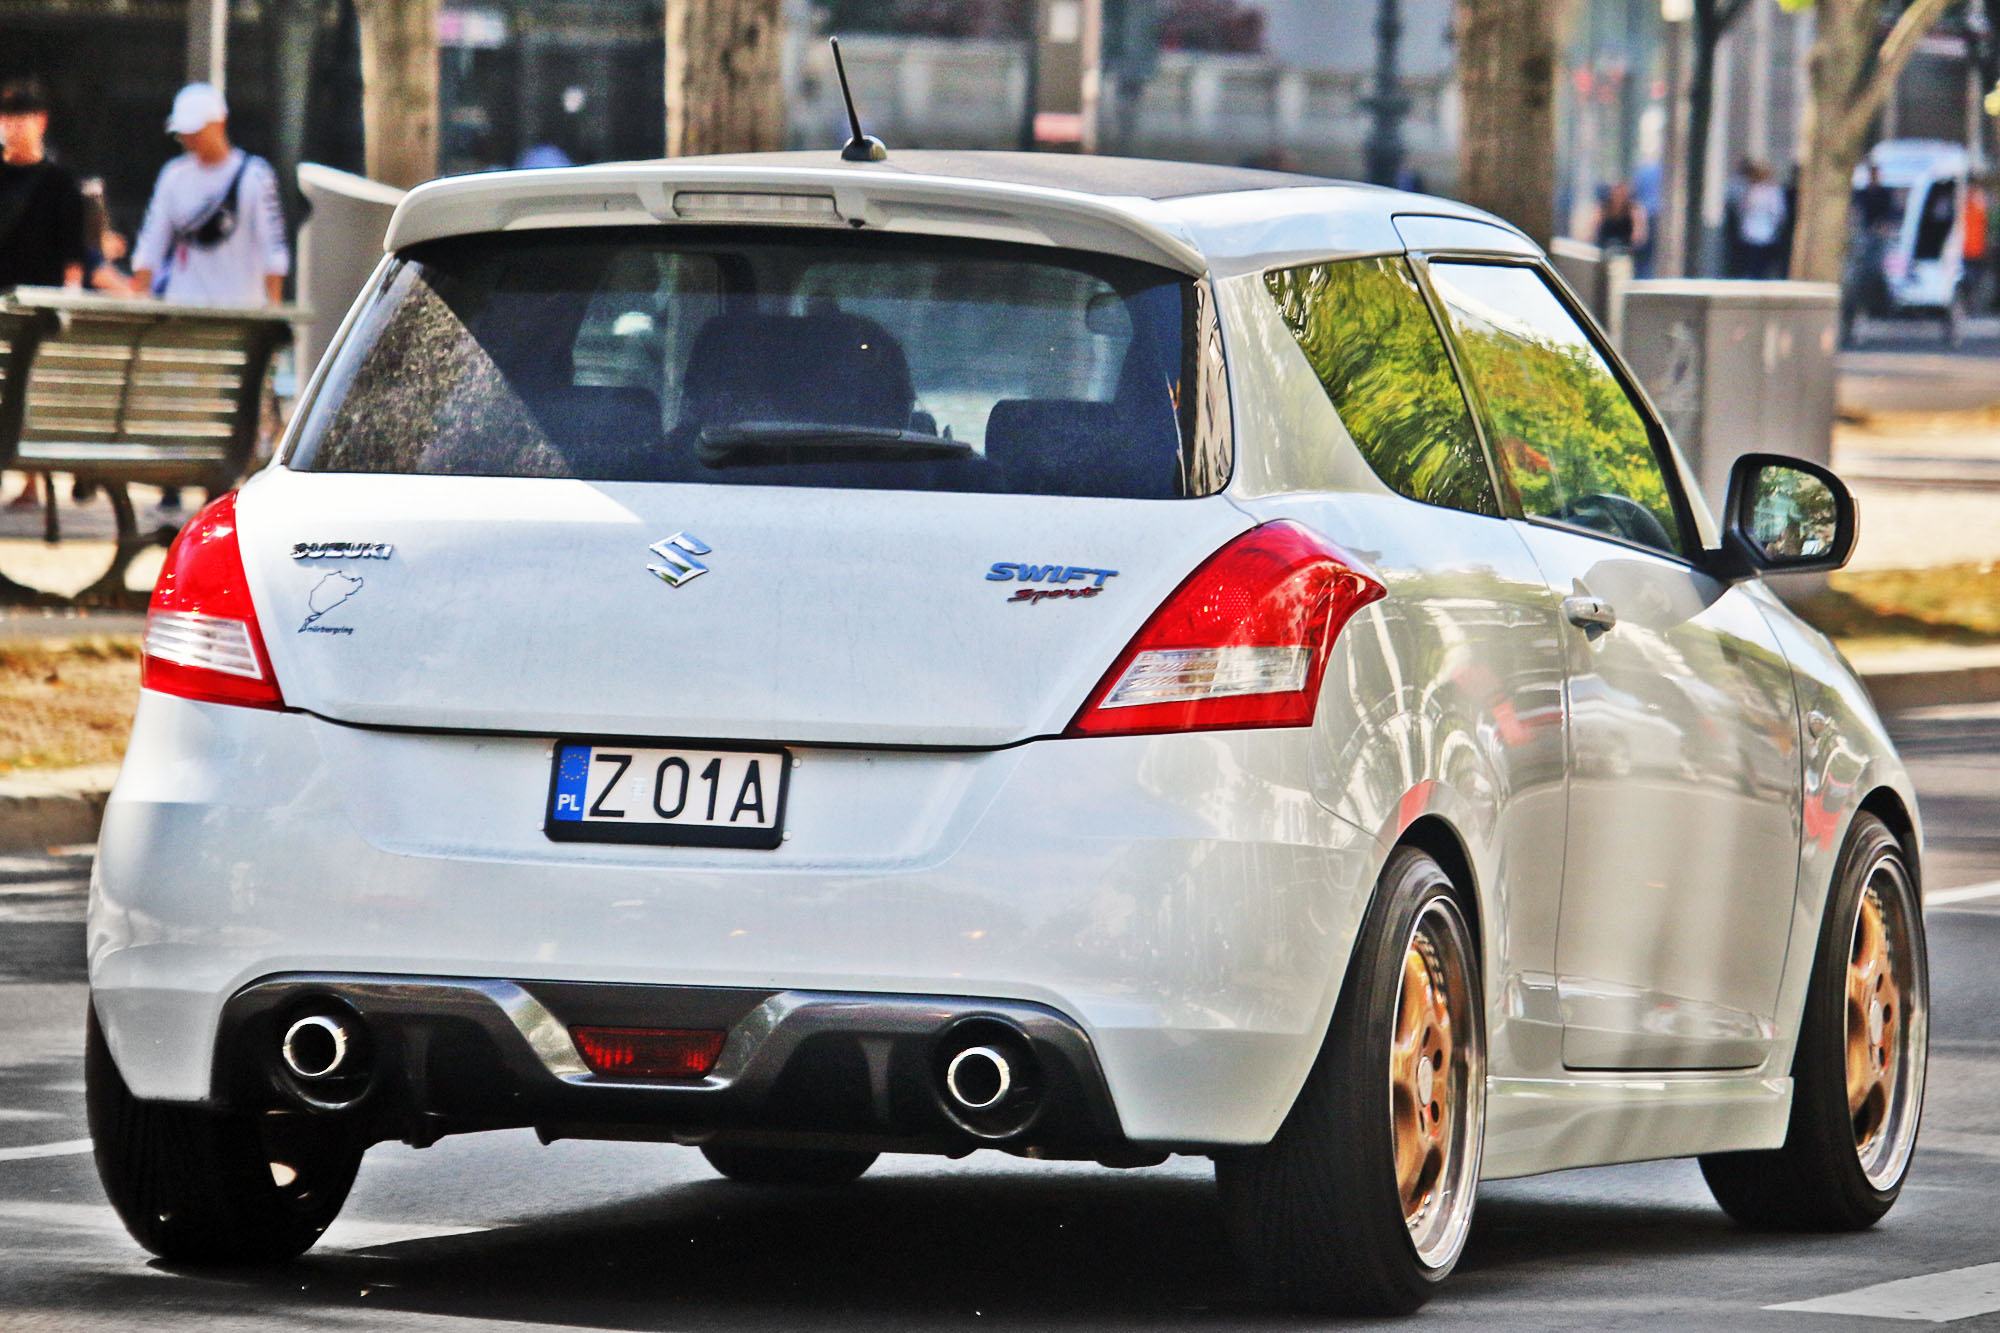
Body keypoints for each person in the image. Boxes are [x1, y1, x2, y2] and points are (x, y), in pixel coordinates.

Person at [131, 82, 288, 517]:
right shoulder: (174, 176)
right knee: (182, 400)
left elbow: (274, 249)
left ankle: (212, 482)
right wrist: (140, 290)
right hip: (185, 310)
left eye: (194, 130)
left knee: (225, 405)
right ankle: (179, 480)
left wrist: (271, 312)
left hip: (239, 312)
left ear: (218, 123)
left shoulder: (254, 176)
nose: (187, 140)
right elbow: (152, 239)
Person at [0, 79, 88, 511]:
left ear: (41, 122)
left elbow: (73, 259)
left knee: (29, 390)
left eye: (23, 117)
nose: (14, 125)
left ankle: (33, 482)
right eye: (8, 117)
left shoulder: (59, 184)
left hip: (39, 311)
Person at [1734, 161, 1788, 280]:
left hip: (1764, 228)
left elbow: (1777, 211)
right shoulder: (1751, 190)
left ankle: (1757, 275)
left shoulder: (1771, 191)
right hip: (1754, 229)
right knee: (1753, 255)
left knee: (1760, 256)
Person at [1594, 181, 1649, 256]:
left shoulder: (1633, 210)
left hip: (1625, 251)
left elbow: (1639, 238)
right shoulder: (1604, 208)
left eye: (1621, 194)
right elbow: (1592, 230)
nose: (1618, 197)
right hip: (1604, 249)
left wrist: (1638, 221)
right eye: (1616, 193)